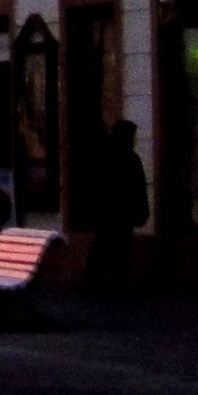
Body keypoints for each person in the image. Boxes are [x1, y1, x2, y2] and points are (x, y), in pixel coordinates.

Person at [80, 121, 149, 299]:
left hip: (107, 213)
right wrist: (142, 212)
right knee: (120, 252)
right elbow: (138, 188)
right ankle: (115, 286)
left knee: (102, 249)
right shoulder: (130, 157)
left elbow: (94, 184)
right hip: (123, 214)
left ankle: (92, 284)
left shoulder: (103, 153)